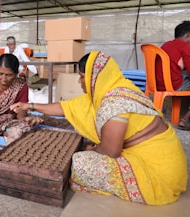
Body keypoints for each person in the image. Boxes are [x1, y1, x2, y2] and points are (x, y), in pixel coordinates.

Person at [11, 51, 188, 206]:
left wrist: (93, 149)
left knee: (79, 163)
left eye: (82, 76)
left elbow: (111, 151)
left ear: (94, 77)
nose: (80, 81)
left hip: (157, 172)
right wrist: (30, 106)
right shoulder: (113, 88)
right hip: (158, 155)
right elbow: (66, 107)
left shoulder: (114, 102)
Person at [156, 20, 190, 130]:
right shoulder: (185, 46)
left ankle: (183, 119)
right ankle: (185, 119)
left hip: (159, 85)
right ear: (188, 35)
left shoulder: (165, 45)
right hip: (174, 85)